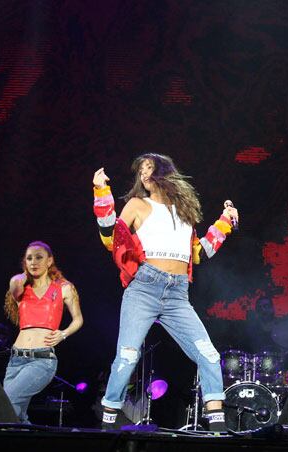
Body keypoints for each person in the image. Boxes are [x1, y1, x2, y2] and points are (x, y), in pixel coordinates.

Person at [92, 153, 238, 431]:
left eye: (150, 168)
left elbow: (197, 254)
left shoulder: (184, 212)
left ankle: (217, 429)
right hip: (144, 289)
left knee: (209, 355)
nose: (144, 174)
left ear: (164, 172)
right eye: (141, 170)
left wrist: (224, 223)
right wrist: (102, 192)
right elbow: (111, 239)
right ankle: (107, 425)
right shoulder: (137, 205)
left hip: (177, 294)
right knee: (127, 355)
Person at [3, 241, 83, 423]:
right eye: (29, 258)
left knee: (6, 403)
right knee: (17, 416)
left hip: (41, 360)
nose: (33, 262)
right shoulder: (20, 287)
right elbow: (15, 283)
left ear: (50, 261)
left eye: (39, 257)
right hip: (15, 360)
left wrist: (63, 334)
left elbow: (78, 319)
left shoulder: (64, 288)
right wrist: (26, 273)